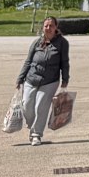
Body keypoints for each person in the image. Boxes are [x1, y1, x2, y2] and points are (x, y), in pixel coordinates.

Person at [13, 17, 71, 145]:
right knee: (27, 105)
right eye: (46, 26)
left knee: (41, 107)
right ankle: (32, 125)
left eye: (51, 26)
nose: (48, 28)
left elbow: (64, 62)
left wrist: (65, 79)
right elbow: (28, 61)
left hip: (50, 81)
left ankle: (36, 134)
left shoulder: (62, 43)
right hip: (31, 78)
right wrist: (20, 78)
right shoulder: (37, 42)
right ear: (43, 27)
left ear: (56, 28)